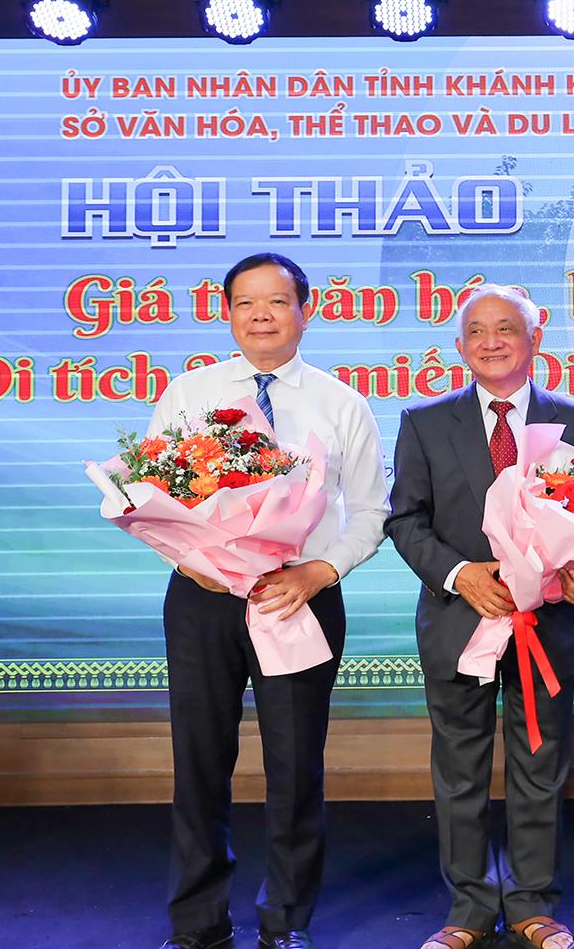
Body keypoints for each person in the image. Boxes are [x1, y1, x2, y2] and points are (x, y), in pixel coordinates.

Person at [148, 253, 389, 949]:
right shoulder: (189, 392)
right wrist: (189, 561)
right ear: (227, 313)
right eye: (246, 303)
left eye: (277, 302)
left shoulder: (341, 402)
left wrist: (320, 572)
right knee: (198, 760)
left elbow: (372, 511)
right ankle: (197, 921)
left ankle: (286, 919)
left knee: (294, 765)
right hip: (203, 598)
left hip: (298, 596)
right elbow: (150, 494)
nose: (261, 315)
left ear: (305, 311)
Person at [385, 284, 574, 949]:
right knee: (459, 772)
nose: (492, 340)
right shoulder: (424, 422)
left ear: (534, 338)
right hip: (461, 623)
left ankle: (531, 904)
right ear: (459, 348)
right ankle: (467, 910)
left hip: (545, 628)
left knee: (539, 768)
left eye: (506, 328)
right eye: (478, 331)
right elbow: (406, 519)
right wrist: (462, 576)